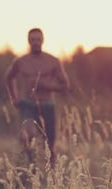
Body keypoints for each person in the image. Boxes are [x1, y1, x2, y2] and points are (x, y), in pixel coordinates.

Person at [5, 28, 70, 166]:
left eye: (38, 39)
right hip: (27, 104)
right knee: (28, 135)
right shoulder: (21, 61)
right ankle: (31, 168)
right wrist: (14, 98)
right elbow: (8, 77)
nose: (35, 42)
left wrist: (47, 85)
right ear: (28, 41)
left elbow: (65, 86)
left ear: (43, 40)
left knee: (50, 143)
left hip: (47, 105)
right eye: (33, 39)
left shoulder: (53, 61)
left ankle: (52, 172)